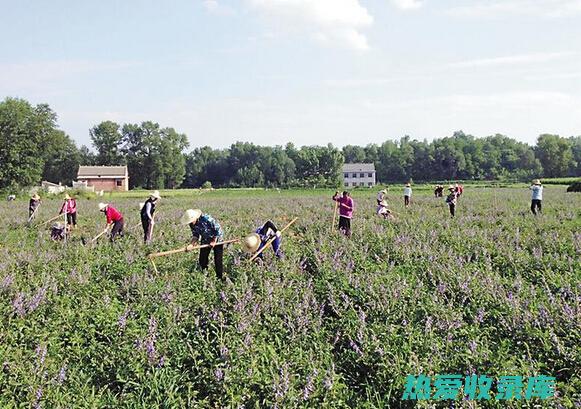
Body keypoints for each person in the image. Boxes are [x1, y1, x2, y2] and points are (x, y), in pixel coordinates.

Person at [181, 209, 224, 280]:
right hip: (205, 239)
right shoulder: (192, 224)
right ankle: (205, 276)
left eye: (191, 221)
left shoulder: (207, 218)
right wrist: (191, 244)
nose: (190, 223)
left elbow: (218, 229)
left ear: (195, 218)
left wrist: (214, 241)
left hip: (217, 239)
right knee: (202, 259)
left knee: (218, 259)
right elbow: (195, 235)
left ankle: (220, 278)